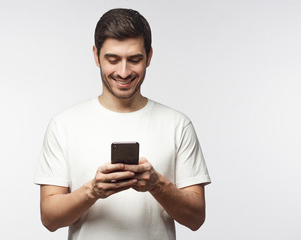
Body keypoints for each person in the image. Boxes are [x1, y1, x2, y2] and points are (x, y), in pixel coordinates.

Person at [34, 8, 211, 240]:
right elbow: (49, 219)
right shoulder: (64, 125)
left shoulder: (178, 125)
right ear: (96, 55)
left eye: (134, 59)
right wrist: (92, 190)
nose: (124, 72)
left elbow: (196, 219)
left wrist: (157, 185)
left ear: (149, 56)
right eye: (113, 59)